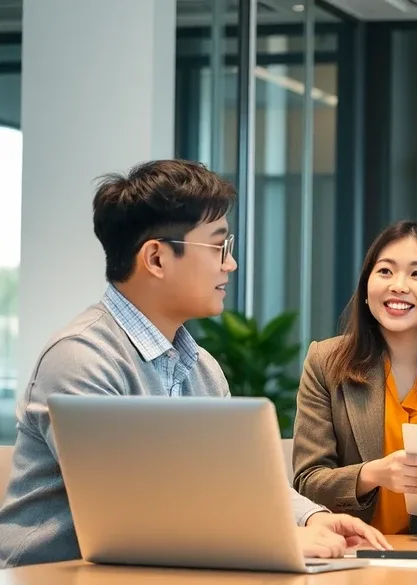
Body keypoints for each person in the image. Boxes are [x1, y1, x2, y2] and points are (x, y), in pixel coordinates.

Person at [0, 160, 390, 568]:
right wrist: (280, 538)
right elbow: (137, 509)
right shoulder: (81, 358)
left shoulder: (202, 368)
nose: (230, 264)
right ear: (156, 259)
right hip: (55, 576)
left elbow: (239, 481)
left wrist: (313, 518)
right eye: (219, 247)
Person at [291, 220, 417, 536]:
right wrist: (373, 474)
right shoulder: (325, 362)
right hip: (345, 551)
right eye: (385, 271)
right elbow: (307, 485)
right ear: (365, 288)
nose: (398, 285)